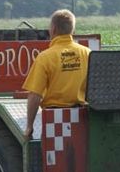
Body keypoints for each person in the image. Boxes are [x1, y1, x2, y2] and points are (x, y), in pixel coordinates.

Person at [22, 9, 91, 139]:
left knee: (55, 151)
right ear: (73, 30)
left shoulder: (45, 57)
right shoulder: (87, 53)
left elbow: (35, 95)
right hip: (83, 117)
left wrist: (29, 126)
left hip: (54, 117)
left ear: (53, 29)